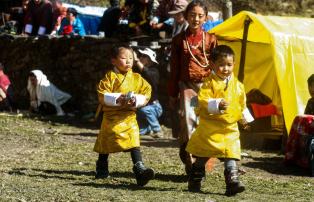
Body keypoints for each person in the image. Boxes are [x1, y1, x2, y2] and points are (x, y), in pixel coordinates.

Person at [185, 45, 254, 195]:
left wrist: (244, 120)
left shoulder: (239, 86)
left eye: (229, 65)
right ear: (212, 65)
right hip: (211, 128)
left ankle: (232, 183)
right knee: (203, 156)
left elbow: (241, 104)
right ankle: (195, 178)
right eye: (221, 65)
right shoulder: (208, 84)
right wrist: (217, 104)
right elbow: (201, 101)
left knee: (231, 154)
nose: (225, 68)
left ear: (233, 64)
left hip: (230, 128)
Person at [168, 0, 218, 174]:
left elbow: (217, 67)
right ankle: (192, 163)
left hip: (206, 88)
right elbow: (174, 69)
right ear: (186, 16)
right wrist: (173, 94)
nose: (196, 19)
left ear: (205, 18)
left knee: (205, 123)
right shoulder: (178, 40)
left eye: (200, 15)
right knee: (188, 121)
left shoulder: (211, 39)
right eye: (192, 15)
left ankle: (202, 162)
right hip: (186, 87)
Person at [93, 46, 155, 187]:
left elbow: (147, 92)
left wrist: (136, 100)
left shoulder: (137, 78)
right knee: (105, 144)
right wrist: (118, 99)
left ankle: (140, 171)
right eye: (123, 58)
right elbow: (102, 94)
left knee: (134, 142)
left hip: (129, 116)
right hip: (111, 117)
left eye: (131, 58)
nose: (128, 61)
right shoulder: (109, 77)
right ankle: (102, 169)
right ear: (113, 61)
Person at [134, 47, 163, 138]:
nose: (141, 58)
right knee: (140, 132)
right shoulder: (138, 71)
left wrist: (137, 61)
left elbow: (148, 74)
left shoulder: (155, 72)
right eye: (141, 56)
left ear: (150, 60)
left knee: (145, 110)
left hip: (153, 107)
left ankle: (157, 129)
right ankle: (148, 129)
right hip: (140, 106)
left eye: (144, 56)